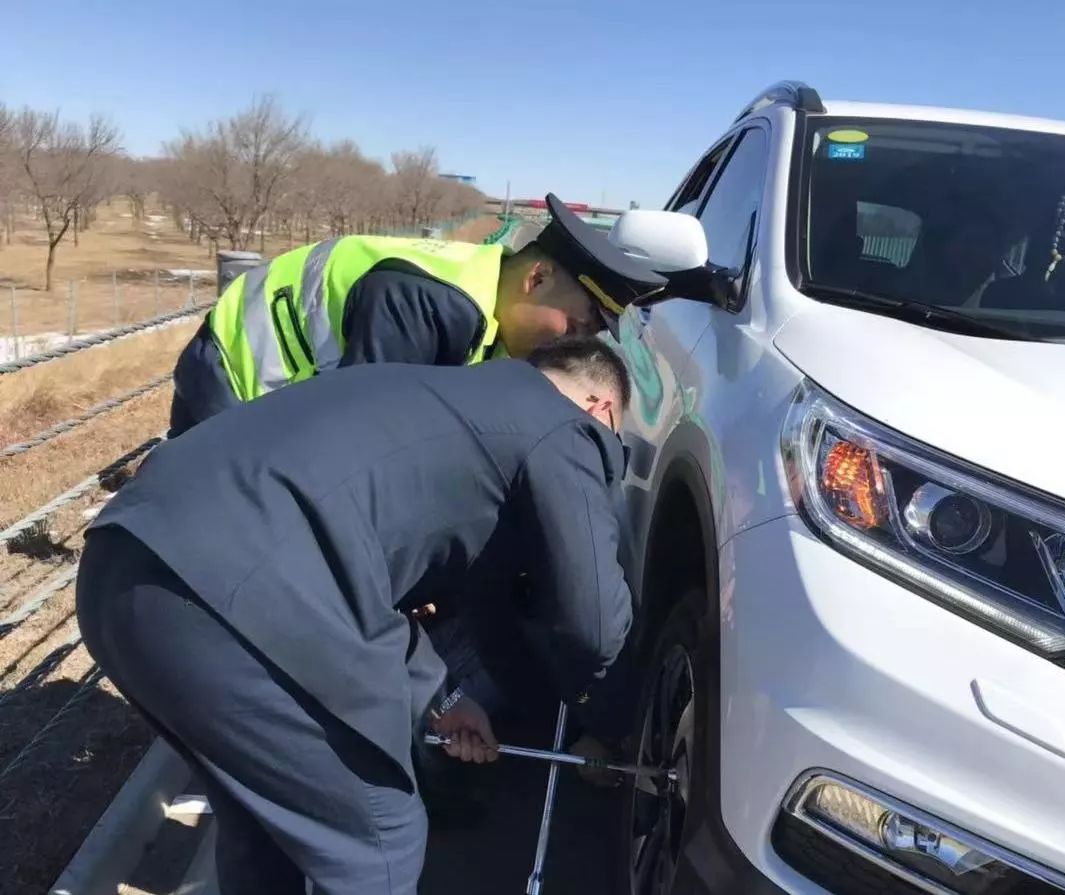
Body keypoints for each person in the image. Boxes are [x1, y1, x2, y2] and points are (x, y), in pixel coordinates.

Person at [76, 336, 635, 895]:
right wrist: (612, 729)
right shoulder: (562, 429)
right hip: (233, 589)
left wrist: (443, 699)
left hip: (122, 567)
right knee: (376, 840)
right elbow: (593, 624)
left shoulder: (447, 401)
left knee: (267, 826)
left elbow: (371, 578)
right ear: (599, 410)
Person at [168, 192, 667, 436]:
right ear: (536, 278)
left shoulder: (493, 320)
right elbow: (360, 442)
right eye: (575, 325)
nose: (567, 346)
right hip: (238, 379)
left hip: (282, 394)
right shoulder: (431, 303)